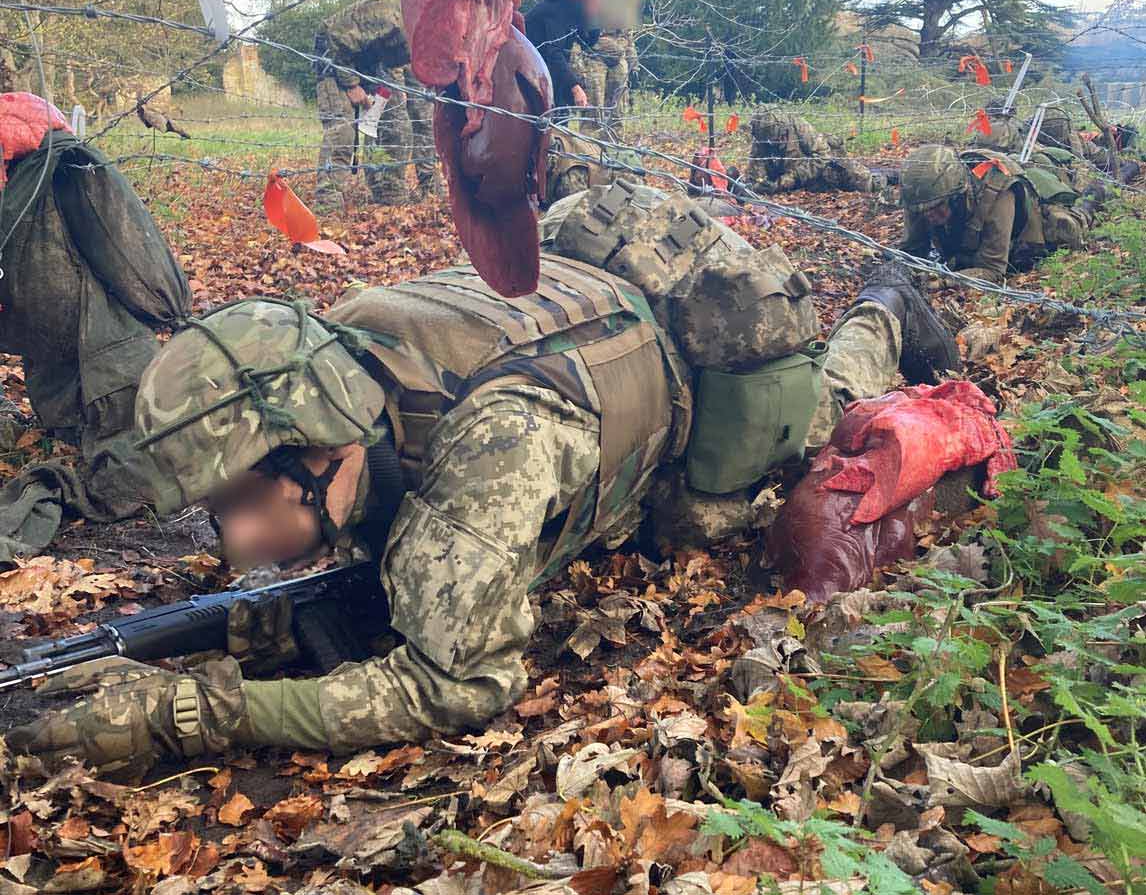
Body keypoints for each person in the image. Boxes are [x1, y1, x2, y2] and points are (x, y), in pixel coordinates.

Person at [6, 184, 959, 776]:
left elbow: (458, 683)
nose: (236, 543)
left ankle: (882, 300)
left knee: (808, 423)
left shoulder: (485, 453)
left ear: (328, 449)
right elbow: (389, 554)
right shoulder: (336, 357)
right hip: (590, 329)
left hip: (694, 396)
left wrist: (194, 712)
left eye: (248, 503)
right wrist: (228, 632)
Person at [0, 93, 190, 559]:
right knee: (147, 456)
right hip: (104, 351)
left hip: (42, 350)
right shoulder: (73, 166)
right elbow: (129, 252)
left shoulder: (16, 183)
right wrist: (172, 312)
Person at [313, 0, 437, 211]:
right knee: (342, 132)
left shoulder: (430, 30)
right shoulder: (393, 14)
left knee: (394, 126)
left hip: (371, 65)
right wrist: (351, 83)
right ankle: (327, 205)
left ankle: (389, 193)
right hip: (334, 56)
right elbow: (335, 38)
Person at [899, 143, 1105, 283]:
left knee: (1070, 225)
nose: (928, 216)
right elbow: (910, 252)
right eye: (921, 211)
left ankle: (1100, 188)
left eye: (937, 208)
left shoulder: (997, 193)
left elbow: (993, 268)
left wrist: (945, 281)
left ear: (956, 196)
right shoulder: (921, 197)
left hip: (1036, 226)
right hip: (971, 244)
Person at [566, 0, 639, 125]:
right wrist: (577, 68)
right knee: (593, 117)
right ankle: (590, 154)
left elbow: (627, 30)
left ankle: (615, 152)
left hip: (618, 60)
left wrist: (632, 61)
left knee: (616, 116)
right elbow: (573, 31)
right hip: (593, 59)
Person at [747, 106, 875, 193]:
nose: (772, 142)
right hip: (791, 176)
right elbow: (755, 168)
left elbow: (823, 156)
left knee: (861, 181)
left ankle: (885, 177)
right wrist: (762, 185)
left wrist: (788, 179)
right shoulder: (761, 135)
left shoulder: (800, 127)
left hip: (816, 171)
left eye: (775, 137)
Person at [523, 0, 598, 111]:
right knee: (554, 119)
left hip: (551, 73)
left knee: (561, 116)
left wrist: (593, 19)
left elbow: (587, 43)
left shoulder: (574, 9)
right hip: (533, 75)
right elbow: (554, 53)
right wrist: (575, 87)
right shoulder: (554, 10)